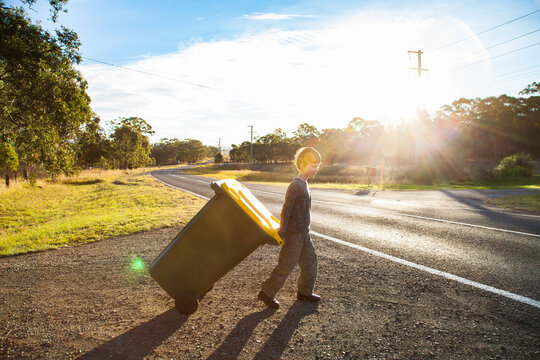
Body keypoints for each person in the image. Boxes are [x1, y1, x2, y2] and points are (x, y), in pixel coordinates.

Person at [258, 147, 322, 308]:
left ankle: (304, 293)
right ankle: (266, 293)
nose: (316, 169)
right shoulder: (296, 184)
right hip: (294, 234)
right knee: (286, 265)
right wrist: (282, 232)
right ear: (301, 164)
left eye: (317, 166)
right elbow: (286, 209)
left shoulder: (305, 184)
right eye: (312, 166)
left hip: (304, 234)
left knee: (310, 262)